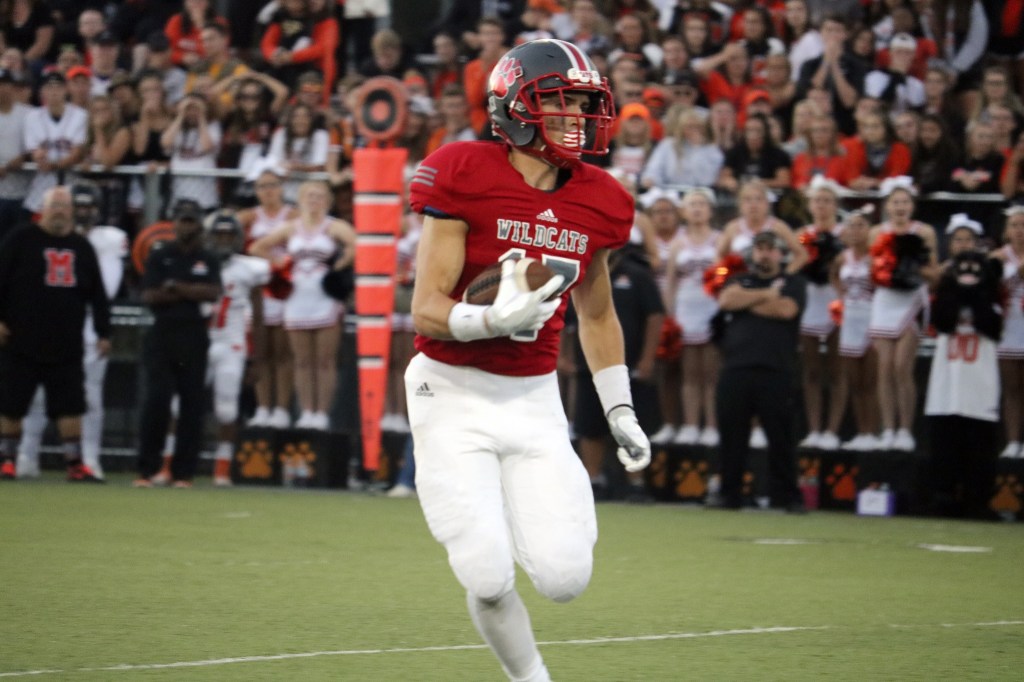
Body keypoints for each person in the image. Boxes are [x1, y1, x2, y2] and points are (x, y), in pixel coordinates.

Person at [405, 39, 650, 682]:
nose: (577, 117)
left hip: (533, 399)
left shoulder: (600, 197)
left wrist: (619, 407)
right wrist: (488, 320)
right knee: (486, 573)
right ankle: (531, 677)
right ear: (514, 107)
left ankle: (512, 509)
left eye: (582, 103)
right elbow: (426, 308)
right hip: (450, 392)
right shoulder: (463, 171)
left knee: (566, 577)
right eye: (560, 102)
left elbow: (597, 315)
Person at [16, 182, 126, 479]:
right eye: (79, 206)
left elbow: (109, 287)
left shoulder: (107, 240)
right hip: (49, 325)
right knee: (36, 395)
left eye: (90, 206)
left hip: (85, 328)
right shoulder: (37, 239)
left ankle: (89, 457)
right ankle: (27, 454)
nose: (84, 212)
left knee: (87, 398)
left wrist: (102, 329)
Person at [712, 230, 807, 511]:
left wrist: (749, 301)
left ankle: (787, 496)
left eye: (770, 248)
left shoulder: (794, 282)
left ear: (781, 253)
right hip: (736, 368)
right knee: (731, 436)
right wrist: (767, 294)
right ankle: (729, 495)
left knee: (782, 437)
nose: (764, 253)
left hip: (776, 369)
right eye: (760, 248)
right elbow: (727, 300)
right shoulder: (737, 279)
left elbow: (786, 310)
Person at [249, 180, 355, 430]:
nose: (314, 201)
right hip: (297, 296)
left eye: (319, 196)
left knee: (324, 360)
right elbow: (256, 247)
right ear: (300, 199)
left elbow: (357, 244)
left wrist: (340, 265)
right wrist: (280, 262)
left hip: (324, 296)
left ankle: (321, 413)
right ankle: (306, 411)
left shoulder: (333, 226)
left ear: (327, 201)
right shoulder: (291, 228)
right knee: (302, 360)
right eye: (309, 196)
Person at [134, 199, 222, 488]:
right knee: (156, 400)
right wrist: (188, 293)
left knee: (192, 404)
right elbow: (149, 295)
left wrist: (177, 287)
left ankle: (184, 473)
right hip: (163, 332)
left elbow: (212, 293)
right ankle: (146, 468)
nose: (186, 225)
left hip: (194, 334)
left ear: (198, 224)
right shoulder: (161, 254)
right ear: (173, 223)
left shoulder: (208, 257)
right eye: (182, 220)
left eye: (191, 220)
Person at [573, 242, 663, 501]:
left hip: (629, 361)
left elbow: (655, 316)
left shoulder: (637, 273)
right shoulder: (579, 266)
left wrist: (647, 358)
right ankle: (593, 479)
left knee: (632, 421)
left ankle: (636, 481)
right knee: (589, 424)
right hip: (586, 359)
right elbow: (570, 319)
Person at [868, 177, 939, 452]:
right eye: (895, 202)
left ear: (912, 205)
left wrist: (910, 267)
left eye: (905, 202)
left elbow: (934, 274)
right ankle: (888, 429)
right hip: (885, 300)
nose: (900, 206)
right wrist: (888, 270)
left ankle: (906, 429)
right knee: (884, 368)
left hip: (912, 299)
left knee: (902, 366)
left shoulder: (925, 232)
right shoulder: (877, 233)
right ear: (887, 205)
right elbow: (871, 271)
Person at [202, 211, 270, 486]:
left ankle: (222, 468)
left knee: (227, 408)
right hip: (199, 342)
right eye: (218, 234)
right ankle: (172, 465)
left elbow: (259, 314)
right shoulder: (199, 262)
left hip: (232, 342)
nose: (223, 240)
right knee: (179, 405)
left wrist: (258, 358)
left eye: (229, 235)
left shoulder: (249, 268)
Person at [239, 164, 297, 429]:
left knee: (283, 352)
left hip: (286, 287)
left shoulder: (293, 215)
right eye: (263, 186)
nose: (268, 191)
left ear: (282, 188)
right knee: (261, 351)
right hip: (259, 291)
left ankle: (282, 409)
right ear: (256, 191)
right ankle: (263, 408)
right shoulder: (250, 217)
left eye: (273, 185)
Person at [663, 187, 720, 446]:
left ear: (710, 210)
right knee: (688, 373)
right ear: (685, 211)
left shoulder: (719, 240)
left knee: (710, 371)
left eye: (702, 204)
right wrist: (669, 316)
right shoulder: (678, 243)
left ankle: (711, 425)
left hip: (711, 308)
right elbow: (671, 281)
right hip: (685, 308)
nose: (697, 209)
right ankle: (689, 424)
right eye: (692, 204)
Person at [795, 177, 844, 450]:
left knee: (837, 370)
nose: (822, 206)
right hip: (811, 303)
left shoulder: (845, 234)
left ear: (835, 204)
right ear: (810, 205)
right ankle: (814, 428)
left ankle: (833, 430)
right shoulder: (802, 235)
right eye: (817, 201)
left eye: (827, 201)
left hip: (838, 302)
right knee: (812, 369)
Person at [831, 205, 879, 451]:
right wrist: (842, 298)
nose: (856, 230)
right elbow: (834, 276)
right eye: (852, 225)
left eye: (861, 225)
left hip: (872, 317)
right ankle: (862, 431)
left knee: (872, 380)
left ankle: (874, 431)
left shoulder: (877, 256)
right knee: (855, 381)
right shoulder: (843, 257)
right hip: (851, 319)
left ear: (870, 229)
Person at [991, 206, 1024, 459]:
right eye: (1014, 225)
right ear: (1006, 230)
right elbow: (990, 292)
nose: (1020, 230)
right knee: (1011, 388)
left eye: (1023, 225)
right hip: (1009, 326)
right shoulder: (998, 258)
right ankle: (1012, 441)